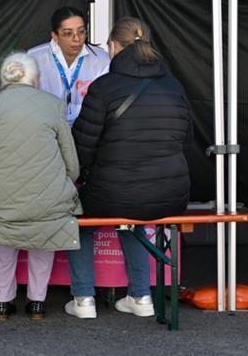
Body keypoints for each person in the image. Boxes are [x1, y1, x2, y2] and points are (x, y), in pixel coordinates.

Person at [66, 17, 192, 320]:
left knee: (77, 221)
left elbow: (82, 147)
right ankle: (142, 295)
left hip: (113, 192)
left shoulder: (105, 87)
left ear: (112, 46)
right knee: (134, 219)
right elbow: (185, 139)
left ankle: (84, 299)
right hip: (170, 193)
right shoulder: (174, 86)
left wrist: (79, 177)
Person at [0, 52, 81, 320]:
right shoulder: (53, 104)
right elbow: (70, 160)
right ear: (36, 79)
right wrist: (65, 180)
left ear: (4, 79)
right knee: (45, 235)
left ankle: (2, 303)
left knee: (3, 237)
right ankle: (37, 303)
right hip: (47, 198)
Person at [28, 7, 110, 126]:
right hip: (45, 129)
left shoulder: (102, 60)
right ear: (55, 36)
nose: (76, 39)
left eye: (81, 32)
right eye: (68, 33)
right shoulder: (35, 58)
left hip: (87, 130)